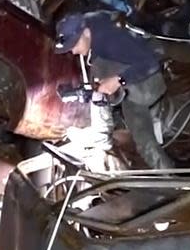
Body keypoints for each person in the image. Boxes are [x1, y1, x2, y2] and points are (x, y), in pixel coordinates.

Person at [54, 11, 174, 170]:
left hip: (149, 83)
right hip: (129, 84)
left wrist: (119, 80)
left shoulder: (110, 41)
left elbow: (150, 63)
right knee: (144, 144)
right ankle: (170, 176)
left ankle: (174, 182)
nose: (73, 52)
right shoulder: (93, 30)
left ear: (87, 33)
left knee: (144, 140)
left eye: (75, 45)